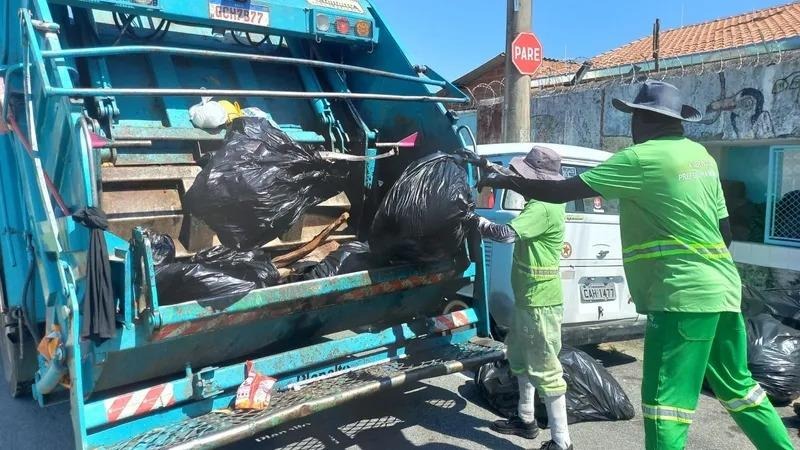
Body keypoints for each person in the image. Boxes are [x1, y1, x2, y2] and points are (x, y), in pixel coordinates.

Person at [477, 80, 794, 450]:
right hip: (723, 289)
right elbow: (725, 233)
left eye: (632, 117)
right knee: (739, 389)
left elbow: (559, 191)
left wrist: (504, 179)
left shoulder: (640, 158)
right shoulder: (701, 157)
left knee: (665, 405)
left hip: (680, 297)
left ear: (642, 119)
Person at [473, 146, 573, 450]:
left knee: (545, 368)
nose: (522, 180)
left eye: (528, 175)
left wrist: (474, 221)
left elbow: (504, 234)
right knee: (519, 358)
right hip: (528, 300)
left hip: (541, 303)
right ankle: (526, 419)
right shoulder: (546, 196)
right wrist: (488, 167)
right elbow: (517, 181)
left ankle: (562, 442)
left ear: (539, 180)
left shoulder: (543, 207)